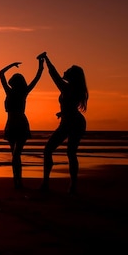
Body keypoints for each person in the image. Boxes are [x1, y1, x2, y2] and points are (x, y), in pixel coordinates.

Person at [38, 52, 88, 194]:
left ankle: (48, 183)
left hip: (72, 123)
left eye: (68, 70)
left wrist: (46, 59)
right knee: (70, 153)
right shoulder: (73, 89)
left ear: (72, 76)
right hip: (73, 121)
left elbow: (53, 73)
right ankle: (71, 185)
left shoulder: (67, 88)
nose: (64, 71)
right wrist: (63, 113)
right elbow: (70, 106)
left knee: (51, 150)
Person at [0, 56, 44, 189]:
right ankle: (17, 181)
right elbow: (1, 74)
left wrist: (12, 65)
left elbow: (36, 78)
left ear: (14, 83)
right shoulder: (15, 92)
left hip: (17, 123)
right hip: (13, 124)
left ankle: (18, 181)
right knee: (15, 154)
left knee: (16, 154)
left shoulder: (18, 92)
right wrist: (12, 64)